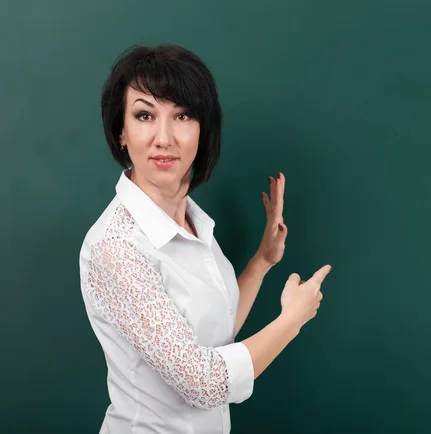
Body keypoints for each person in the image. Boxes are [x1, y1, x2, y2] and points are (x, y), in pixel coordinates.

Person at [78, 44, 332, 434]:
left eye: (182, 115)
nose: (163, 138)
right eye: (144, 115)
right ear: (122, 133)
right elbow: (203, 381)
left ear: (203, 131)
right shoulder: (116, 247)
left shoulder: (191, 220)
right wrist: (292, 319)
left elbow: (213, 331)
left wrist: (261, 262)